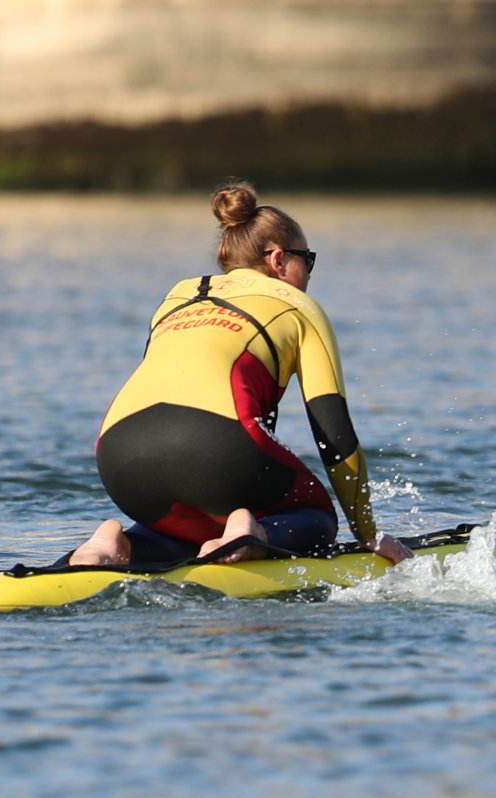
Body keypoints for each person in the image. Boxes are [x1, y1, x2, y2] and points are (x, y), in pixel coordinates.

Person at [69, 180, 412, 567]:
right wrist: (369, 534)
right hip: (215, 443)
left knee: (187, 526)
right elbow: (334, 437)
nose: (310, 274)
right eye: (308, 260)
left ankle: (115, 543)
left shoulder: (179, 294)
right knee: (317, 517)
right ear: (279, 260)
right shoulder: (298, 306)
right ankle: (251, 533)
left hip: (118, 451)